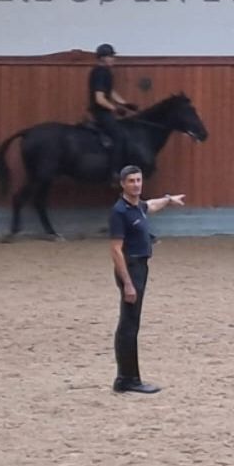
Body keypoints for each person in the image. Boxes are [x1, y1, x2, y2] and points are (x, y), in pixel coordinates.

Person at [109, 165, 187, 394]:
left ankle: (128, 377)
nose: (136, 184)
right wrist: (128, 283)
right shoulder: (120, 212)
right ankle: (127, 378)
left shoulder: (137, 207)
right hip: (131, 268)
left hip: (140, 267)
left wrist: (168, 199)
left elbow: (151, 204)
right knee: (128, 324)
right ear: (123, 184)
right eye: (131, 181)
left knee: (132, 322)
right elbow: (115, 250)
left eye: (138, 180)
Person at [88, 43, 137, 177]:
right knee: (119, 137)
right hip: (100, 113)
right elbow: (100, 98)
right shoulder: (99, 73)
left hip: (105, 111)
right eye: (111, 56)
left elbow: (110, 92)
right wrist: (115, 109)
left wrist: (125, 104)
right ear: (103, 58)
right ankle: (114, 171)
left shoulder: (106, 72)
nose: (113, 59)